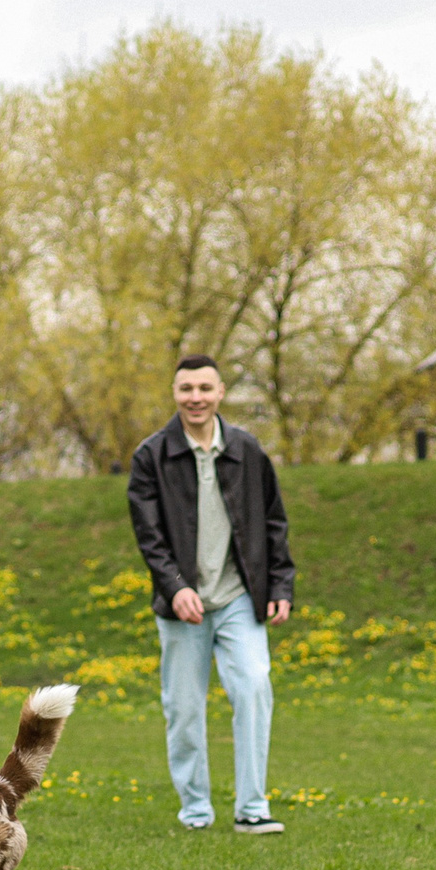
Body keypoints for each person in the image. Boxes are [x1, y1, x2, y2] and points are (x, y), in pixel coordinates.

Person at [126, 355, 294, 835]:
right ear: (175, 394)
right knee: (183, 708)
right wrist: (175, 588)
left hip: (241, 598)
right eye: (186, 389)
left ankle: (252, 808)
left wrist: (280, 584)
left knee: (255, 687)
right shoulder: (150, 457)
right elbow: (149, 536)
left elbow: (274, 522)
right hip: (183, 607)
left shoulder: (248, 450)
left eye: (204, 388)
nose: (195, 397)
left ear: (220, 392)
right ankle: (196, 811)